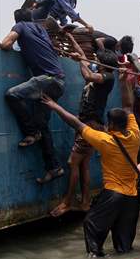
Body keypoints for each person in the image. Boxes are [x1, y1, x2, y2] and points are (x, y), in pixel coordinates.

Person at [41, 69, 140, 257]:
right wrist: (123, 82)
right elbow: (129, 106)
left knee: (92, 226)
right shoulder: (135, 135)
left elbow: (76, 123)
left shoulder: (106, 141)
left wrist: (54, 106)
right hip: (132, 198)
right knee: (124, 241)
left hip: (113, 194)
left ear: (111, 125)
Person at [51, 35, 118, 217]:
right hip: (87, 124)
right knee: (84, 164)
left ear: (104, 63)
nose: (94, 61)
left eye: (98, 60)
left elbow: (87, 74)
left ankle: (67, 201)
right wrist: (71, 38)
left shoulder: (108, 76)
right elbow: (83, 57)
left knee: (73, 163)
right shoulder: (100, 71)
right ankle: (85, 202)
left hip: (90, 125)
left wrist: (80, 61)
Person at [0, 8, 66, 184]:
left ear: (17, 20)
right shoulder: (41, 29)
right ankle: (54, 167)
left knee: (11, 95)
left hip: (47, 79)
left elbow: (7, 44)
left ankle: (30, 132)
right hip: (58, 82)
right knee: (42, 125)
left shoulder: (20, 26)